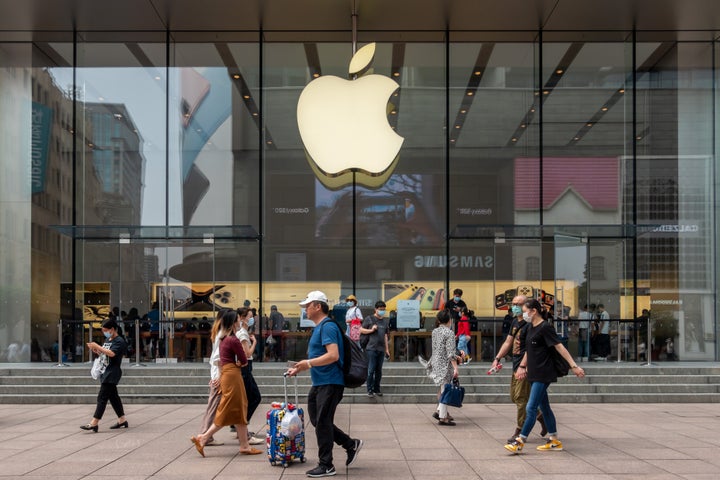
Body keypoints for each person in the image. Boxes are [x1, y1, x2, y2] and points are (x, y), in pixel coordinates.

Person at [286, 290, 363, 478]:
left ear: (318, 306)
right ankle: (350, 444)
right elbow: (319, 356)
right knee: (319, 421)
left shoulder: (327, 327)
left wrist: (308, 363)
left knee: (322, 422)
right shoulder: (319, 327)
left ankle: (326, 464)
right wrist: (301, 367)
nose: (305, 309)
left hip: (331, 383)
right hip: (320, 383)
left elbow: (333, 355)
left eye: (307, 306)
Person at [505, 298, 585, 454]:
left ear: (533, 311)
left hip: (544, 372)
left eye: (525, 311)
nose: (523, 314)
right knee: (545, 407)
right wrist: (522, 366)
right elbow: (529, 350)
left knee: (531, 407)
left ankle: (520, 441)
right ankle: (554, 439)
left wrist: (574, 366)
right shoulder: (529, 328)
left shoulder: (545, 328)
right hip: (533, 372)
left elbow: (559, 347)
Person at [190, 310, 262, 457]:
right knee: (228, 409)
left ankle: (244, 445)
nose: (240, 321)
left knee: (239, 410)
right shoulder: (234, 340)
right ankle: (203, 437)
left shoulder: (223, 338)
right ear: (234, 322)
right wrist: (238, 363)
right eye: (238, 320)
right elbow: (244, 359)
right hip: (233, 376)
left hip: (227, 374)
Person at [489, 295, 547, 442]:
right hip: (516, 364)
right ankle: (541, 416)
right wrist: (497, 358)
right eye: (513, 303)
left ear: (526, 306)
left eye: (518, 304)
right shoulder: (515, 321)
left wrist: (524, 366)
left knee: (521, 399)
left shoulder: (530, 324)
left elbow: (531, 348)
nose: (514, 306)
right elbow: (508, 341)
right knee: (514, 396)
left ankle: (520, 430)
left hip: (525, 365)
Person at [80, 318, 128, 432]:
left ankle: (94, 423)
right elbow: (104, 353)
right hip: (105, 370)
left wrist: (97, 346)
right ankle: (122, 420)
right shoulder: (108, 340)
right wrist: (97, 350)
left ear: (112, 329)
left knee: (102, 397)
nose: (104, 332)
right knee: (113, 397)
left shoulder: (119, 341)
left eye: (106, 330)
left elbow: (112, 353)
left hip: (112, 372)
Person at [423, 309, 460, 426]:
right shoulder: (449, 333)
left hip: (436, 363)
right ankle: (443, 417)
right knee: (445, 391)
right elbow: (450, 353)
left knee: (442, 388)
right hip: (445, 365)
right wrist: (455, 368)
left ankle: (439, 410)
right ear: (450, 320)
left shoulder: (435, 331)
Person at [197, 309, 227, 447]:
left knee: (213, 406)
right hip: (218, 375)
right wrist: (218, 377)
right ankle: (204, 435)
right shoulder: (222, 334)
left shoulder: (218, 332)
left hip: (216, 373)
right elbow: (217, 358)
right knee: (213, 406)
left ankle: (205, 435)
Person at [235, 307, 264, 445]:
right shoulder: (243, 334)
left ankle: (241, 428)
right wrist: (255, 343)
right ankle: (242, 428)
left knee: (248, 399)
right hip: (245, 370)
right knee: (254, 397)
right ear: (241, 317)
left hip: (246, 369)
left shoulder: (243, 332)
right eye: (249, 316)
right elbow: (247, 354)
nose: (251, 319)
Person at [360, 300, 390, 397]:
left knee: (379, 371)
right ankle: (370, 390)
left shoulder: (384, 322)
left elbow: (385, 336)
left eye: (383, 309)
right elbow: (361, 330)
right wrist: (371, 330)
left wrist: (387, 349)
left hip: (381, 349)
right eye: (380, 309)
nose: (382, 311)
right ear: (375, 309)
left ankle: (377, 389)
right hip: (371, 348)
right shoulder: (369, 319)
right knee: (371, 370)